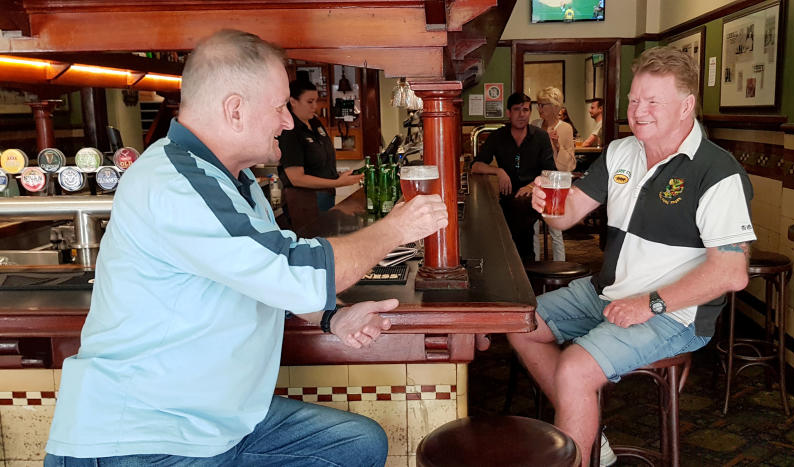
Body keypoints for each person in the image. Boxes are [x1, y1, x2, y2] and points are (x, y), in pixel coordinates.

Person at [44, 29, 448, 466]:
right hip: (144, 435)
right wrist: (395, 229)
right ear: (235, 110)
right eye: (279, 107)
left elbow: (262, 273)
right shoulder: (175, 182)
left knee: (356, 444)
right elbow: (293, 268)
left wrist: (332, 316)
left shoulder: (236, 179)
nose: (288, 121)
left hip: (218, 421)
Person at [508, 46, 755, 467]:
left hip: (674, 313)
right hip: (606, 291)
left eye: (652, 101)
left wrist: (650, 303)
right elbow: (566, 218)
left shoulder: (717, 171)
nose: (638, 111)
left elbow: (732, 273)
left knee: (574, 371)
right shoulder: (622, 152)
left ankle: (579, 427)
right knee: (519, 323)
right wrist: (547, 202)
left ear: (686, 105)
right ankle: (590, 428)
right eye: (634, 100)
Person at [472, 92, 555, 262]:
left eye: (525, 110)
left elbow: (550, 173)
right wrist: (498, 171)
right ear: (509, 113)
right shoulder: (498, 137)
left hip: (536, 195)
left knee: (520, 209)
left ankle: (518, 262)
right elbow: (475, 166)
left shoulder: (541, 137)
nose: (522, 114)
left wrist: (531, 186)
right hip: (508, 197)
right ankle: (521, 265)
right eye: (517, 109)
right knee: (507, 211)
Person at [278, 80, 362, 213]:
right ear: (293, 101)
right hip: (305, 201)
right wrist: (338, 183)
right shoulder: (290, 131)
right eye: (310, 102)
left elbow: (318, 163)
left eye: (316, 101)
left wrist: (337, 176)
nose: (315, 106)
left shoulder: (314, 122)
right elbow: (296, 178)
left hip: (325, 195)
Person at [531, 86, 575, 262]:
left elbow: (569, 163)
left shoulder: (565, 128)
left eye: (544, 105)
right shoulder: (533, 125)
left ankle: (559, 267)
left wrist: (557, 146)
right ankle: (533, 266)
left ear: (556, 107)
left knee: (556, 231)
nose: (539, 109)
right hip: (536, 182)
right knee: (532, 229)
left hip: (556, 183)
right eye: (538, 105)